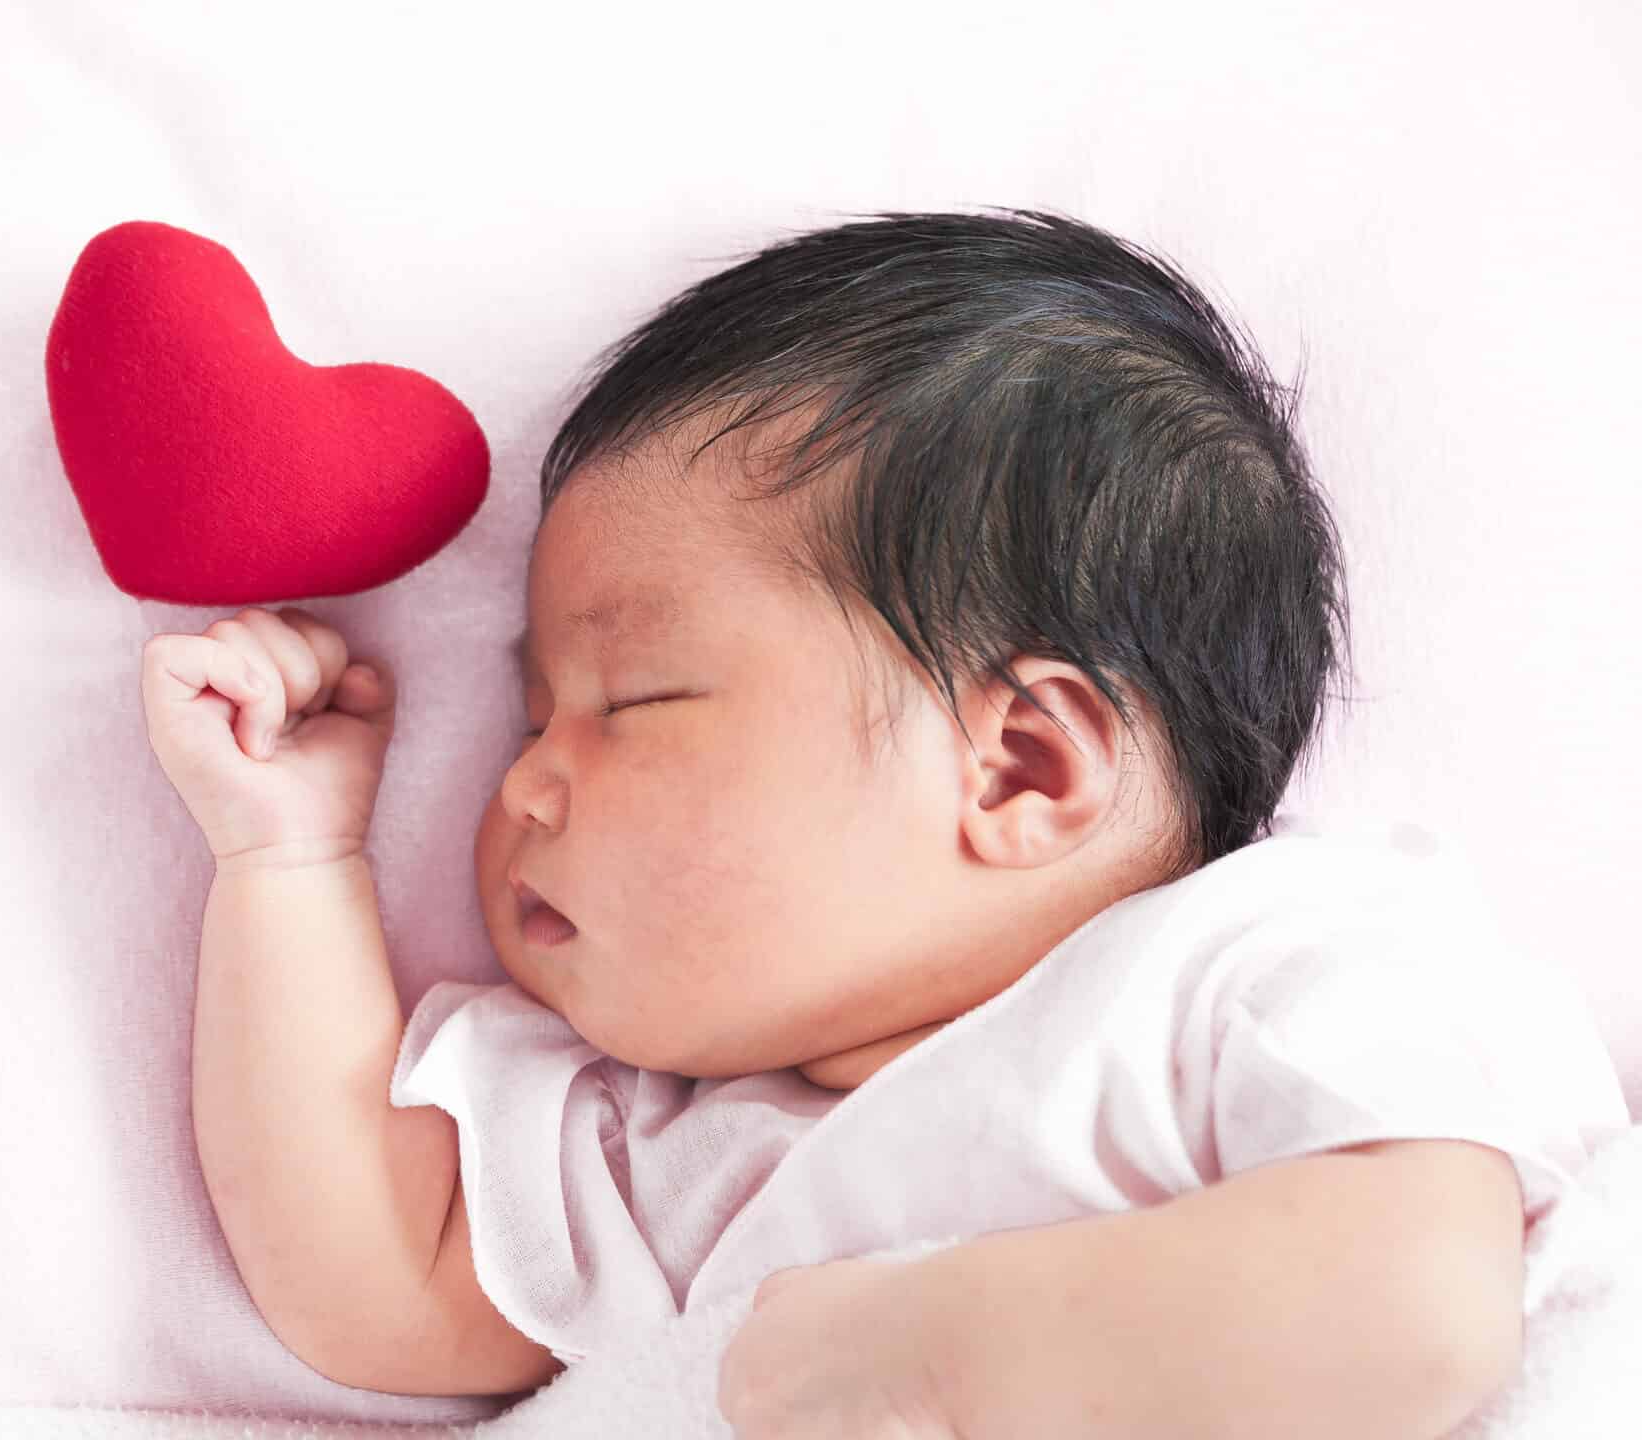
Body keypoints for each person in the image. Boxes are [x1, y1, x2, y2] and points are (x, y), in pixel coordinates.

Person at [138, 209, 1631, 1438]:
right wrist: (287, 856)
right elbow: (382, 1286)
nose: (523, 784)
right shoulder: (687, 1149)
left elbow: (1419, 1309)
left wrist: (917, 1363)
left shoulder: (1265, 961)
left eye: (633, 700)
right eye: (533, 716)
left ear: (1021, 770)